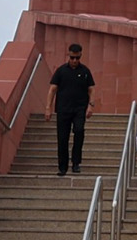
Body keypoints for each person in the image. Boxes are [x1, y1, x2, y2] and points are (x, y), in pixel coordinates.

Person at [48, 41, 95, 175]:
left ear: (80, 56)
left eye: (77, 58)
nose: (74, 60)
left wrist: (91, 106)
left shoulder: (85, 71)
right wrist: (48, 107)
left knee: (79, 132)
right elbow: (52, 89)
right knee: (62, 138)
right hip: (63, 109)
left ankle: (76, 163)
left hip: (79, 109)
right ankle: (62, 167)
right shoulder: (61, 71)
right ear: (68, 55)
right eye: (72, 57)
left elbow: (91, 89)